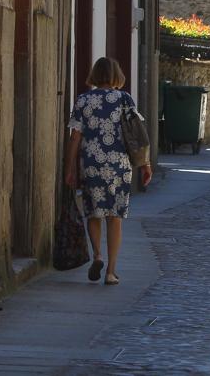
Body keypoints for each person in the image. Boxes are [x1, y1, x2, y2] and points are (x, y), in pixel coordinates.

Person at [64, 57, 152, 285]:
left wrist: (70, 167)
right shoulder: (124, 99)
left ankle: (98, 255)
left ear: (94, 74)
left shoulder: (83, 100)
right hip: (118, 165)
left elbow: (75, 137)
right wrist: (145, 164)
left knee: (94, 213)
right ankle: (111, 272)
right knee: (115, 217)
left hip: (91, 164)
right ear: (116, 75)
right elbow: (137, 134)